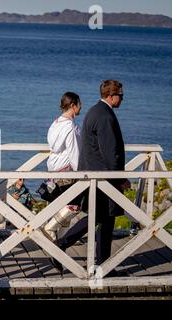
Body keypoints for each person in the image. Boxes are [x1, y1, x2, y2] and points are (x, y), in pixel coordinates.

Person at [51, 80, 131, 275]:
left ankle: (94, 260)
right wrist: (120, 179)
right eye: (121, 95)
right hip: (104, 177)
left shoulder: (94, 111)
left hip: (96, 175)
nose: (122, 98)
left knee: (100, 217)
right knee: (104, 217)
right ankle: (99, 263)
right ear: (112, 96)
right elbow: (110, 152)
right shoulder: (104, 116)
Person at [43, 92, 83, 240]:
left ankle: (57, 242)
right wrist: (82, 173)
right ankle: (50, 228)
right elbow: (74, 152)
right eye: (79, 104)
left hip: (53, 169)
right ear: (73, 106)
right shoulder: (71, 127)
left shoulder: (56, 123)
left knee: (59, 207)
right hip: (66, 171)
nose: (81, 107)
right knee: (76, 205)